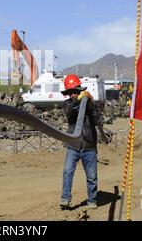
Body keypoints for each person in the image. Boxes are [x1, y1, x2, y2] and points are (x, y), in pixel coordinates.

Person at [59, 74, 99, 210]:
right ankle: (65, 199)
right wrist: (78, 102)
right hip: (73, 145)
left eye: (74, 92)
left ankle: (92, 200)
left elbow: (98, 120)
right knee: (67, 171)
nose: (72, 95)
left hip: (89, 145)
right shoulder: (67, 104)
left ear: (79, 90)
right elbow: (69, 112)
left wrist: (90, 104)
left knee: (92, 176)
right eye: (70, 93)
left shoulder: (89, 104)